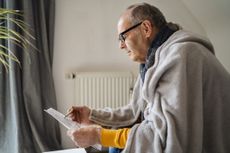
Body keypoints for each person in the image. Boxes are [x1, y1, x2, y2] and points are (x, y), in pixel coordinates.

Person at [66, 2, 230, 153]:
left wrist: (100, 135)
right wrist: (92, 115)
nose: (120, 45)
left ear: (145, 28)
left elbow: (165, 139)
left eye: (123, 37)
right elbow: (134, 112)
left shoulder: (180, 56)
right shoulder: (152, 60)